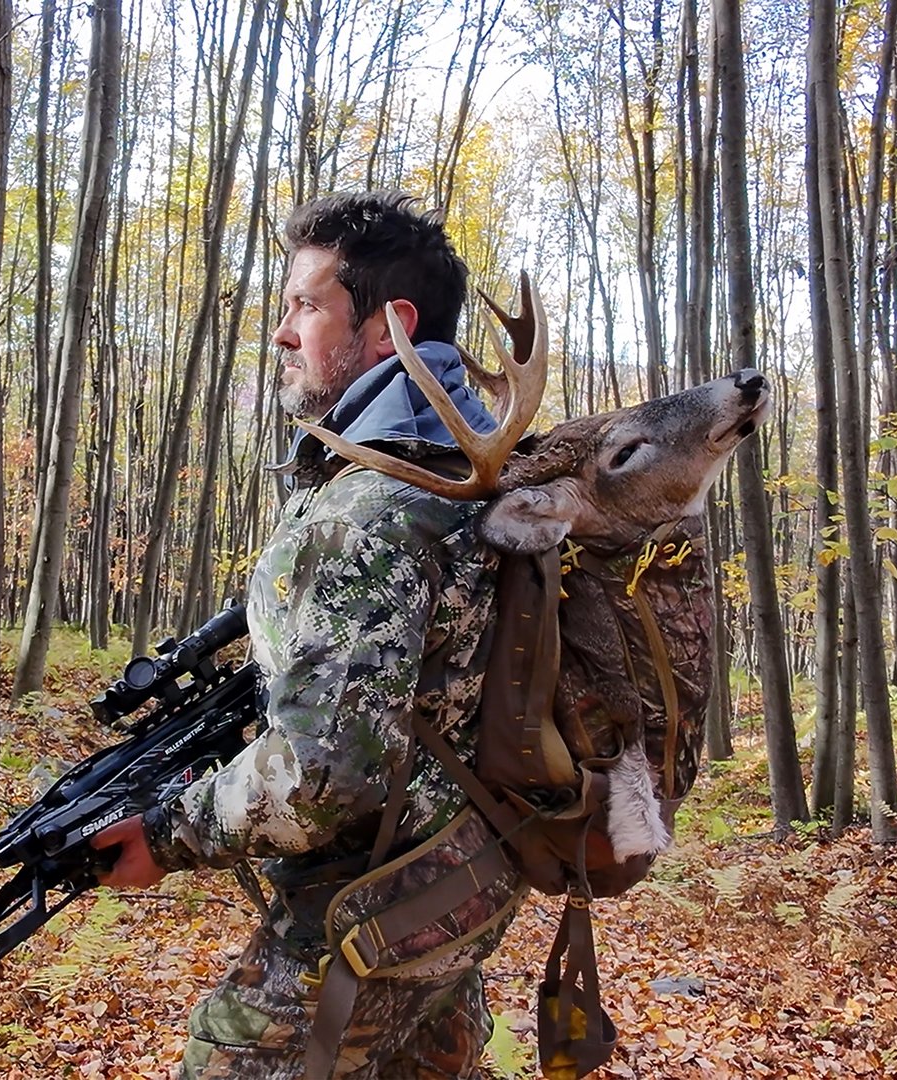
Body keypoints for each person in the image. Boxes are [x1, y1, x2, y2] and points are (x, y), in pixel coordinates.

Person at [90, 192, 527, 1079]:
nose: (282, 333)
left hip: (365, 922)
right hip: (463, 889)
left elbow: (324, 776)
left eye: (306, 304)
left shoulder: (365, 515)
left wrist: (166, 831)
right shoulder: (479, 476)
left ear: (389, 326)